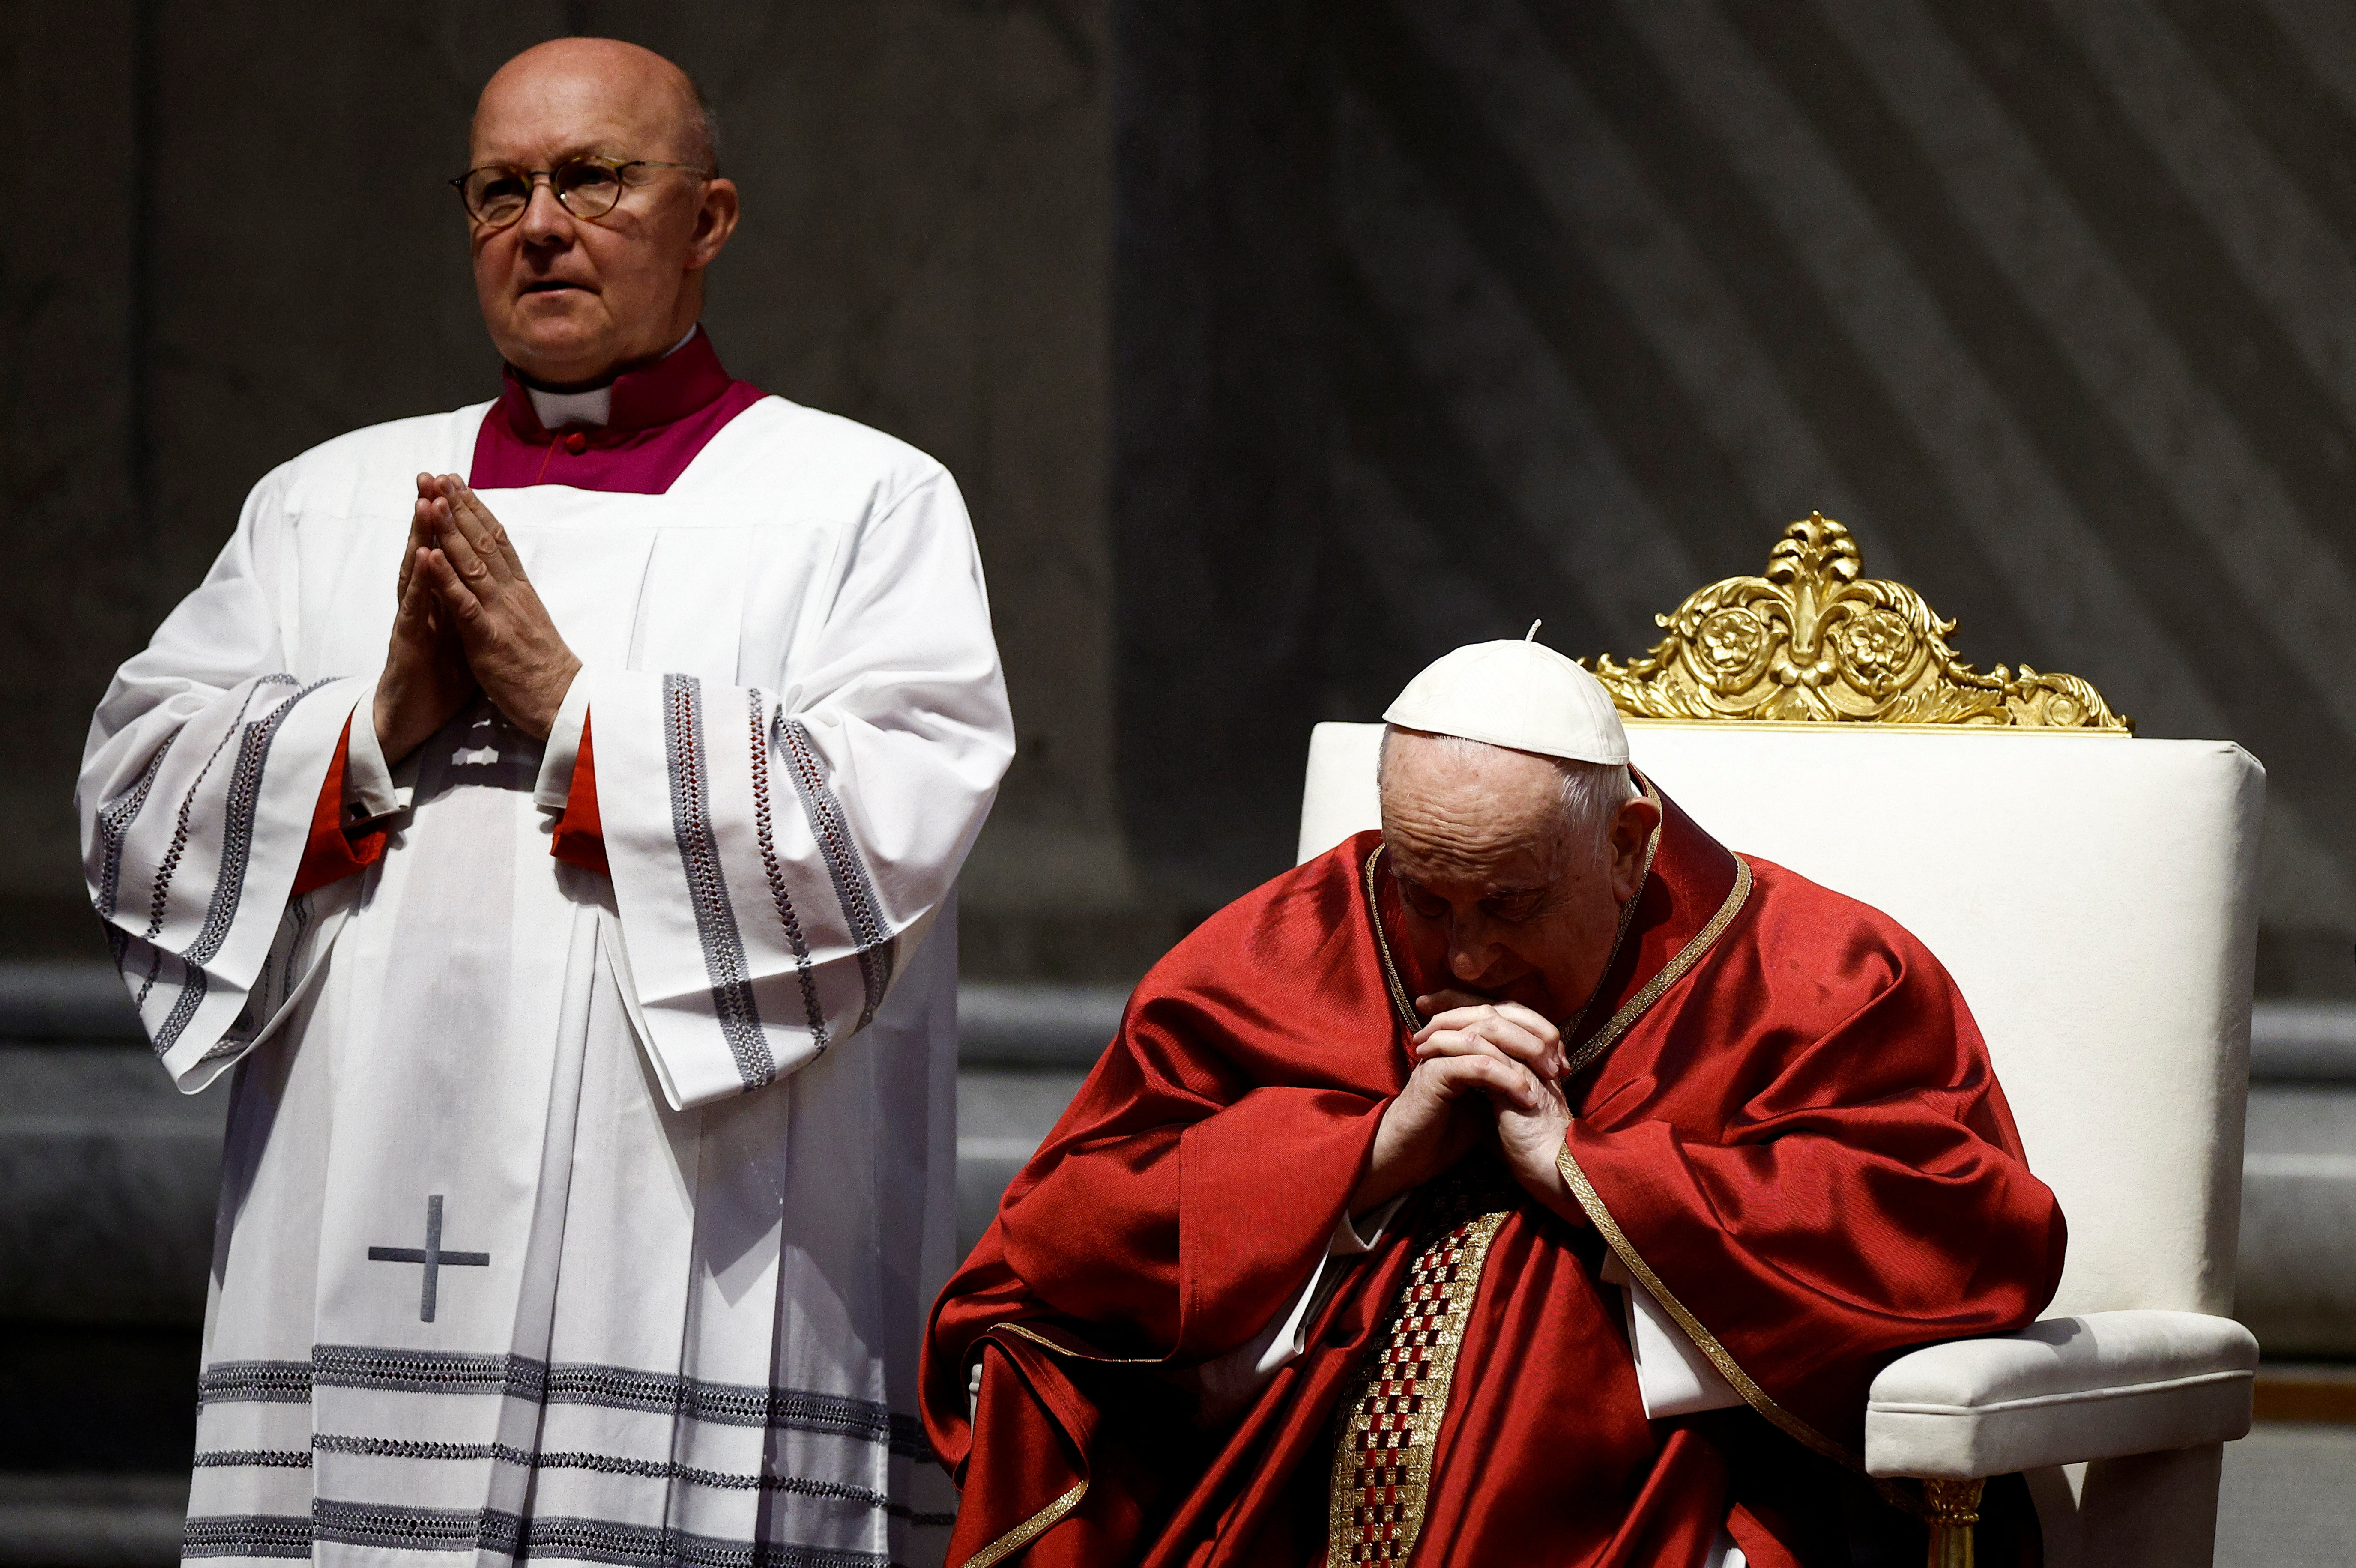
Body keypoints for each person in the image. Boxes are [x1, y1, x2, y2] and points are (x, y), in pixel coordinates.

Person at [77, 37, 1009, 1567]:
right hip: (358, 1184)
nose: (541, 224)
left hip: (688, 1245)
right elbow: (134, 788)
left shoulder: (859, 504)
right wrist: (372, 732)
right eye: (499, 189)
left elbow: (881, 822)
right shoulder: (328, 501)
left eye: (592, 179)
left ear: (708, 218)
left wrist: (573, 714)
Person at [923, 639, 2065, 1568]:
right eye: (1428, 896)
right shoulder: (1284, 946)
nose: (1467, 955)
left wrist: (1591, 1175)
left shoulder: (1821, 975)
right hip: (1278, 1482)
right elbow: (1067, 1230)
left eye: (1511, 903)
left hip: (1662, 1494)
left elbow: (1956, 1236)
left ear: (1626, 846)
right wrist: (1360, 1158)